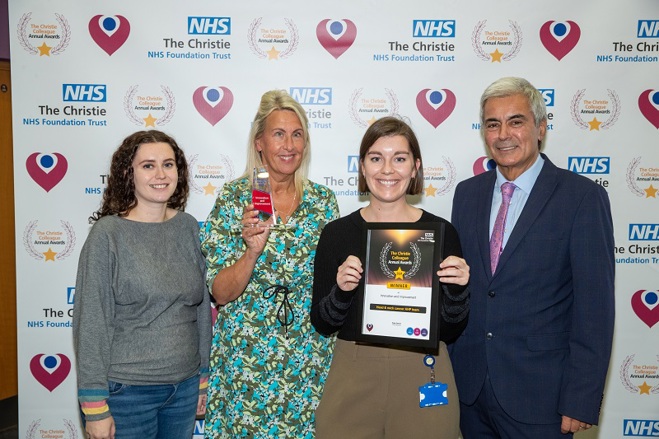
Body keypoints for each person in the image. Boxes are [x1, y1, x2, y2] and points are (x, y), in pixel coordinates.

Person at [450, 77, 615, 438]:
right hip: (471, 394)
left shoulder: (581, 198)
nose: (503, 133)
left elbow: (595, 309)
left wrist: (580, 399)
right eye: (493, 124)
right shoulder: (466, 195)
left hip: (542, 398)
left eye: (516, 121)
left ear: (540, 128)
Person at [310, 116, 470, 438]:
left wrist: (457, 291)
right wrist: (341, 291)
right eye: (376, 158)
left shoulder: (441, 233)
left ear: (415, 167)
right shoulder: (336, 234)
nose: (387, 170)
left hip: (424, 367)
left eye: (399, 158)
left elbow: (452, 328)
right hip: (354, 369)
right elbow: (323, 323)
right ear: (362, 167)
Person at [200, 89, 340, 438]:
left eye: (297, 134)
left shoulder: (323, 201)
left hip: (309, 357)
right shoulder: (235, 199)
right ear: (259, 142)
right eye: (279, 134)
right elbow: (220, 291)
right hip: (247, 358)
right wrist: (251, 252)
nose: (289, 145)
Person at [72, 130, 211, 439]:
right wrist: (94, 406)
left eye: (168, 164)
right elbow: (92, 321)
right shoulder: (107, 235)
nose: (161, 174)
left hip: (185, 389)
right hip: (127, 393)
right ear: (128, 173)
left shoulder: (188, 227)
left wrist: (203, 377)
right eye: (148, 165)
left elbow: (202, 311)